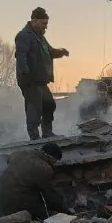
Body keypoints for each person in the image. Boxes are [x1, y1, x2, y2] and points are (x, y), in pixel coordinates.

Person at [15, 7, 69, 140]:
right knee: (34, 109)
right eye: (43, 23)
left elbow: (50, 51)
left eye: (46, 24)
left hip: (41, 80)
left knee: (49, 105)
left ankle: (47, 133)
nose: (45, 27)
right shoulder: (24, 36)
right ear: (34, 20)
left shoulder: (40, 38)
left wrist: (61, 52)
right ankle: (34, 138)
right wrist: (25, 74)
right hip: (30, 80)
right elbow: (21, 56)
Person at [0, 142, 64, 220]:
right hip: (16, 208)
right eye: (55, 161)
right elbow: (50, 194)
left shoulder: (19, 154)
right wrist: (63, 209)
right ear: (49, 156)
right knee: (46, 207)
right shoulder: (44, 168)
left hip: (2, 201)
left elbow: (9, 160)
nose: (54, 163)